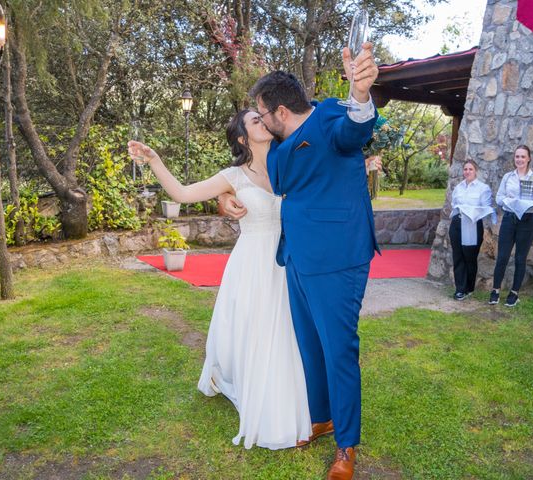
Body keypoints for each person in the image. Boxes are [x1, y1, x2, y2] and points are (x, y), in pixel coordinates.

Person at [219, 44, 378, 480]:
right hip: (295, 259)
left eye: (261, 113)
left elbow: (355, 130)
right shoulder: (281, 148)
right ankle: (322, 417)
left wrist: (361, 95)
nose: (260, 121)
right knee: (310, 347)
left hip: (337, 258)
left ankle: (346, 446)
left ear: (280, 111)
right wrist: (224, 195)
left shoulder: (330, 118)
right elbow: (264, 186)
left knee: (339, 351)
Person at [127, 109, 312, 449]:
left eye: (263, 117)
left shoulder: (289, 162)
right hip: (253, 262)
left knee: (285, 329)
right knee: (254, 328)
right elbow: (182, 194)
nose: (263, 121)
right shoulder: (233, 176)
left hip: (289, 261)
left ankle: (286, 389)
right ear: (243, 138)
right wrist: (154, 160)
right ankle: (253, 388)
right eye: (255, 120)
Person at [489, 145, 533, 307]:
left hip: (527, 221)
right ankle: (495, 290)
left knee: (521, 258)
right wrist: (509, 201)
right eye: (517, 157)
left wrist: (520, 203)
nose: (519, 159)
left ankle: (514, 293)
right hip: (509, 219)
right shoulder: (508, 177)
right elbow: (499, 197)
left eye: (522, 156)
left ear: (529, 159)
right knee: (503, 257)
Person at [449, 160, 493, 300]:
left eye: (471, 169)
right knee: (458, 256)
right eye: (465, 169)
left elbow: (486, 208)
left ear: (476, 171)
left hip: (473, 224)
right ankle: (459, 289)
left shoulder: (483, 188)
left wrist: (471, 211)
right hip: (457, 223)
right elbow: (454, 204)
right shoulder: (459, 187)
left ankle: (469, 287)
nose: (467, 171)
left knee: (470, 257)